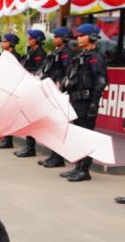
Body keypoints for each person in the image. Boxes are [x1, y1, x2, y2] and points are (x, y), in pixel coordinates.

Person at [59, 23, 107, 183]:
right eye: (77, 36)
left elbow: (100, 82)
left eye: (82, 35)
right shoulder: (79, 57)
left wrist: (94, 104)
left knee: (86, 136)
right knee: (77, 136)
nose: (78, 38)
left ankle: (84, 169)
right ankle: (78, 166)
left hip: (87, 103)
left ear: (92, 37)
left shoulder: (96, 58)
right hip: (75, 101)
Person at [37, 27, 74, 168]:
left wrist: (60, 85)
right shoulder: (57, 52)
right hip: (52, 90)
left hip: (60, 92)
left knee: (60, 125)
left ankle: (58, 157)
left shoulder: (66, 54)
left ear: (64, 38)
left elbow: (67, 72)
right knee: (54, 125)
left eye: (57, 36)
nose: (54, 38)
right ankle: (54, 155)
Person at [14, 29, 47, 158]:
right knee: (27, 118)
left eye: (31, 38)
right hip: (27, 87)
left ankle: (31, 147)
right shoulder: (30, 52)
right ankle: (29, 146)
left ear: (37, 40)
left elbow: (38, 71)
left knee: (32, 118)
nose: (29, 40)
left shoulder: (40, 53)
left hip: (33, 88)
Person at [0, 33, 23, 149]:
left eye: (5, 41)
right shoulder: (4, 55)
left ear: (11, 43)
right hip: (4, 88)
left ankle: (8, 140)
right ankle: (7, 139)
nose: (3, 43)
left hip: (12, 89)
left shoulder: (15, 56)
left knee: (10, 115)